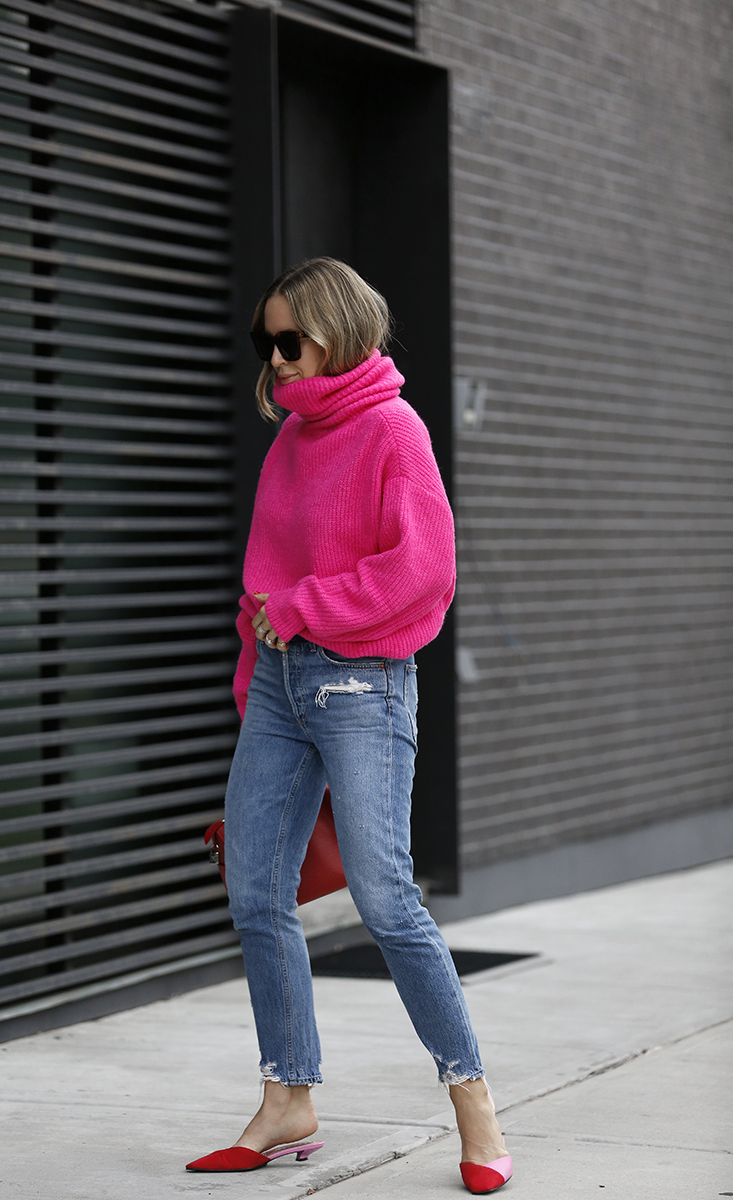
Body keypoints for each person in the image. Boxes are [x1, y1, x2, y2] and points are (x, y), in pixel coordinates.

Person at [185, 258, 513, 1194]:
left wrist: (306, 607)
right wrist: (258, 683)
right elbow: (261, 587)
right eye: (267, 343)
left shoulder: (391, 430)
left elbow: (426, 572)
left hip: (363, 687)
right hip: (282, 693)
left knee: (385, 898)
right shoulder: (289, 442)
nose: (277, 360)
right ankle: (289, 1097)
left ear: (336, 330)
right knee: (256, 890)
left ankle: (472, 1098)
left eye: (290, 340)